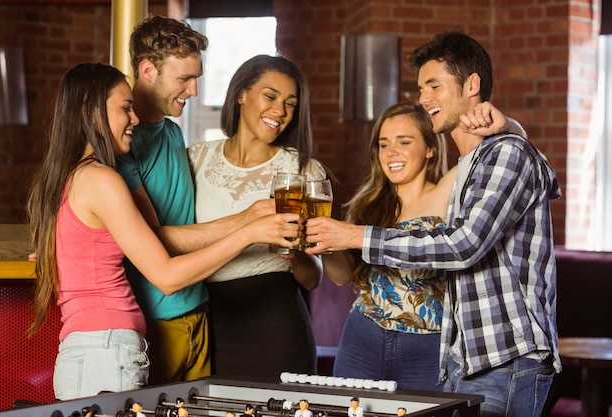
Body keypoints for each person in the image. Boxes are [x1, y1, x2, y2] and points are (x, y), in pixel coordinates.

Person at [305, 31, 561, 417]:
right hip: (462, 358)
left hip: (505, 357)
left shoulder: (505, 152)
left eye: (434, 85)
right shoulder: (477, 167)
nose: (423, 98)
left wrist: (354, 234)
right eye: (421, 87)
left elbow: (463, 245)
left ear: (470, 85)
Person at [26, 63, 301, 401]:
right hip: (107, 350)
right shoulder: (102, 180)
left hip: (88, 349)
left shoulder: (63, 178)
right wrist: (249, 233)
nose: (135, 119)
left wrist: (248, 219)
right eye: (125, 108)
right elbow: (167, 277)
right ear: (90, 112)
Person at [308, 102, 523, 391]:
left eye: (404, 142)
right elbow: (341, 276)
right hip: (362, 337)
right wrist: (324, 243)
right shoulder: (368, 203)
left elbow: (508, 148)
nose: (391, 152)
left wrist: (508, 123)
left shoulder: (449, 189)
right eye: (383, 144)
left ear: (430, 148)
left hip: (428, 347)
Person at [116, 16, 277, 386]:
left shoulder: (172, 132)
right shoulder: (122, 145)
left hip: (198, 312)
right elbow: (153, 238)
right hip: (154, 319)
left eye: (196, 79)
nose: (193, 91)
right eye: (184, 80)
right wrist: (247, 221)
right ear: (147, 70)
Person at [188, 54, 325, 381]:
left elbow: (312, 278)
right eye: (270, 96)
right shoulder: (195, 159)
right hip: (204, 325)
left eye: (290, 104)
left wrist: (294, 252)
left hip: (276, 328)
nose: (280, 110)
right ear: (241, 94)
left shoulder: (303, 171)